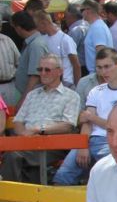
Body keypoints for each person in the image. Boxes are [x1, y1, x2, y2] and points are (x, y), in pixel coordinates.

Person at [54, 48, 117, 185]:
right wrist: (83, 145)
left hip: (113, 142)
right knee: (62, 176)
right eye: (99, 68)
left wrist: (93, 118)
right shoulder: (96, 91)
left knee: (109, 176)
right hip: (90, 139)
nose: (103, 72)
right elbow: (86, 123)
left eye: (107, 66)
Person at [3, 54, 80, 185]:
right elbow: (18, 121)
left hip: (53, 144)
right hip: (27, 143)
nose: (43, 73)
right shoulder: (32, 95)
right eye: (40, 69)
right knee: (22, 160)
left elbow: (67, 125)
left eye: (47, 70)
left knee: (14, 156)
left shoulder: (71, 96)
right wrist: (24, 134)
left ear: (60, 71)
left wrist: (39, 129)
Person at [11, 10, 49, 108]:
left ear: (18, 28)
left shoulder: (36, 45)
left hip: (32, 98)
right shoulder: (33, 43)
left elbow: (35, 76)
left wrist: (23, 101)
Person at [33, 9, 80, 88]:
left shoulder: (65, 40)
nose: (37, 29)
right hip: (50, 83)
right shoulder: (43, 39)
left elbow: (76, 64)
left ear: (43, 23)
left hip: (66, 83)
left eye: (37, 26)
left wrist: (77, 85)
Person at [81, 0, 113, 75]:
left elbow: (101, 51)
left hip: (98, 74)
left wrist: (101, 75)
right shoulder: (96, 26)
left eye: (81, 10)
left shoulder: (97, 27)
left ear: (87, 10)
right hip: (98, 73)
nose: (81, 13)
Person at [64, 4, 88, 76]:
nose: (64, 20)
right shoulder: (87, 24)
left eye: (65, 17)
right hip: (87, 66)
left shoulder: (75, 30)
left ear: (69, 16)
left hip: (80, 68)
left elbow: (68, 52)